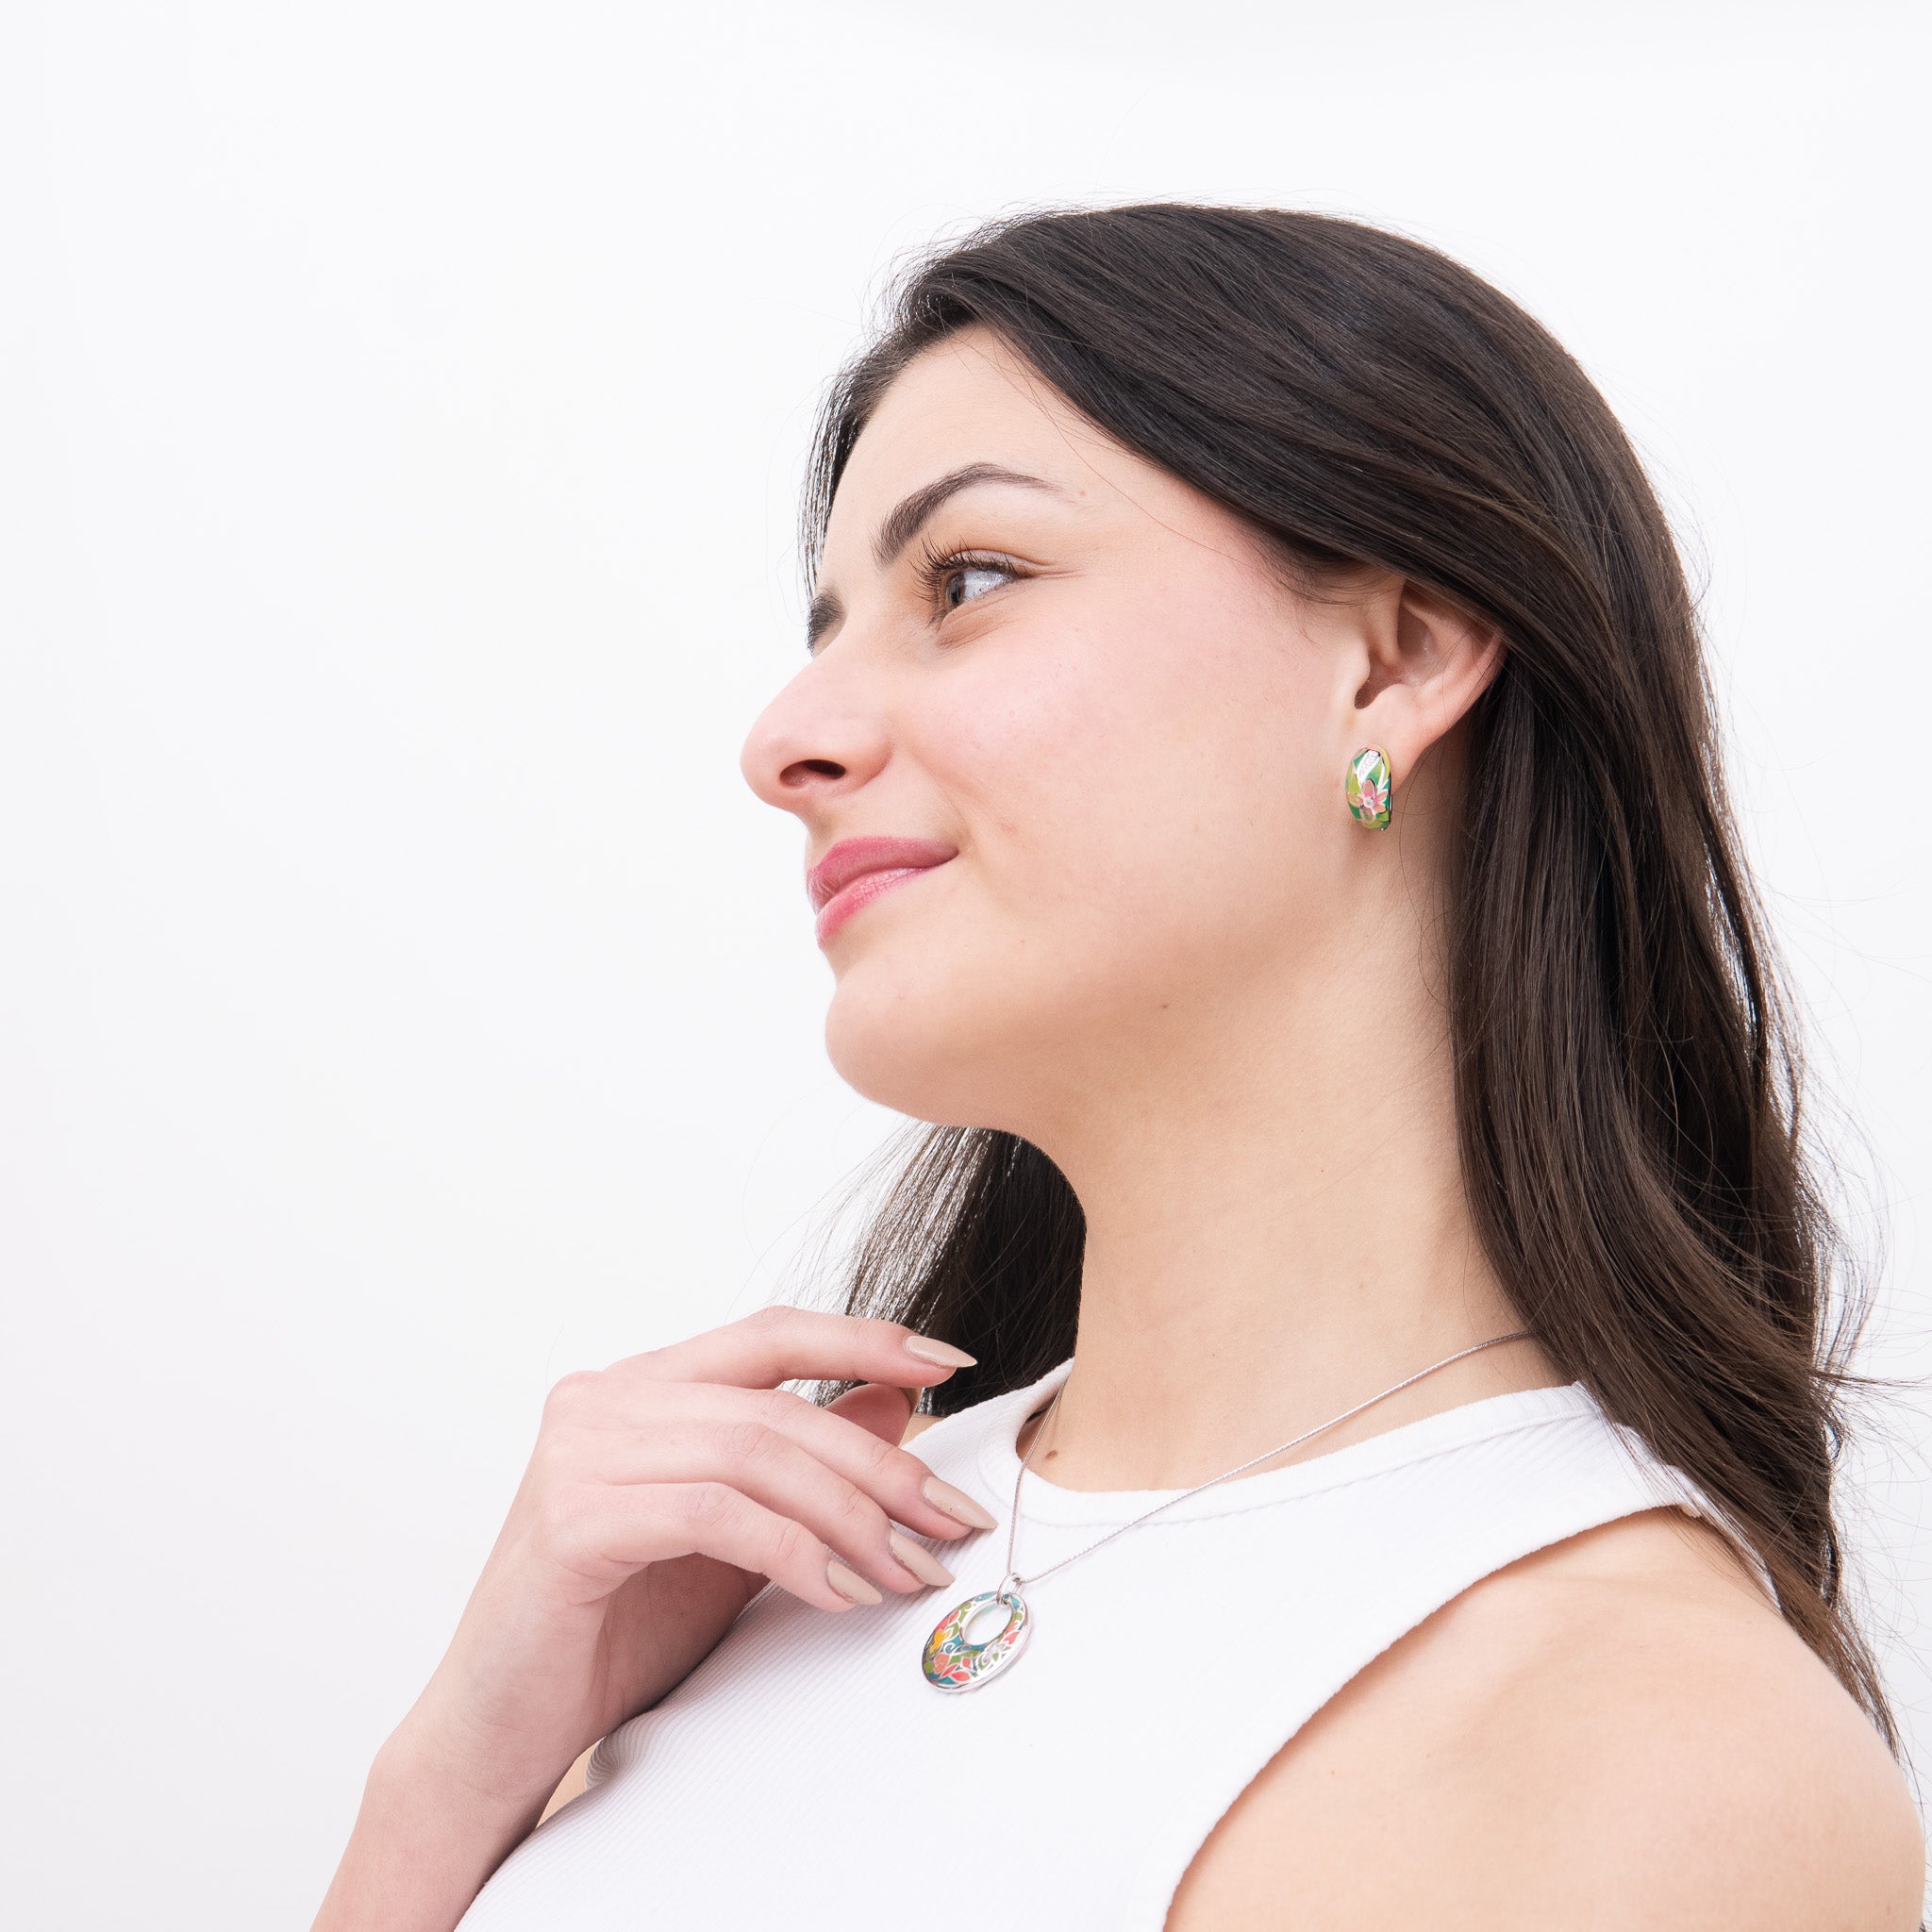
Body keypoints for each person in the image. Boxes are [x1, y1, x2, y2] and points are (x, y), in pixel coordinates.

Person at [313, 205, 1925, 1930]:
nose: (786, 741)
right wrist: (451, 1777)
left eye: (967, 582)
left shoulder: (1649, 1764)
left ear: (1389, 664)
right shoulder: (749, 1575)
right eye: (826, 630)